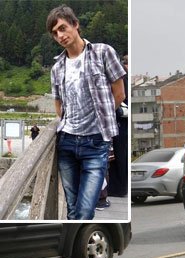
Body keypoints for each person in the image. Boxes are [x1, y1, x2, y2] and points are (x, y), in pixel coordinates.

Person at [48, 5, 126, 220]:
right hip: (66, 142)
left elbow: (119, 93)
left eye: (63, 28)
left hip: (95, 143)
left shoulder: (103, 52)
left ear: (76, 24)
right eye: (55, 33)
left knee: (85, 209)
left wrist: (102, 118)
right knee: (72, 208)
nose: (60, 36)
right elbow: (58, 105)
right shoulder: (57, 68)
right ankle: (74, 253)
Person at [108, 52, 129, 197]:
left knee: (117, 156)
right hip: (121, 121)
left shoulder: (118, 74)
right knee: (118, 156)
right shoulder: (123, 73)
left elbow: (120, 96)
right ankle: (117, 188)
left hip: (119, 120)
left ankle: (117, 189)